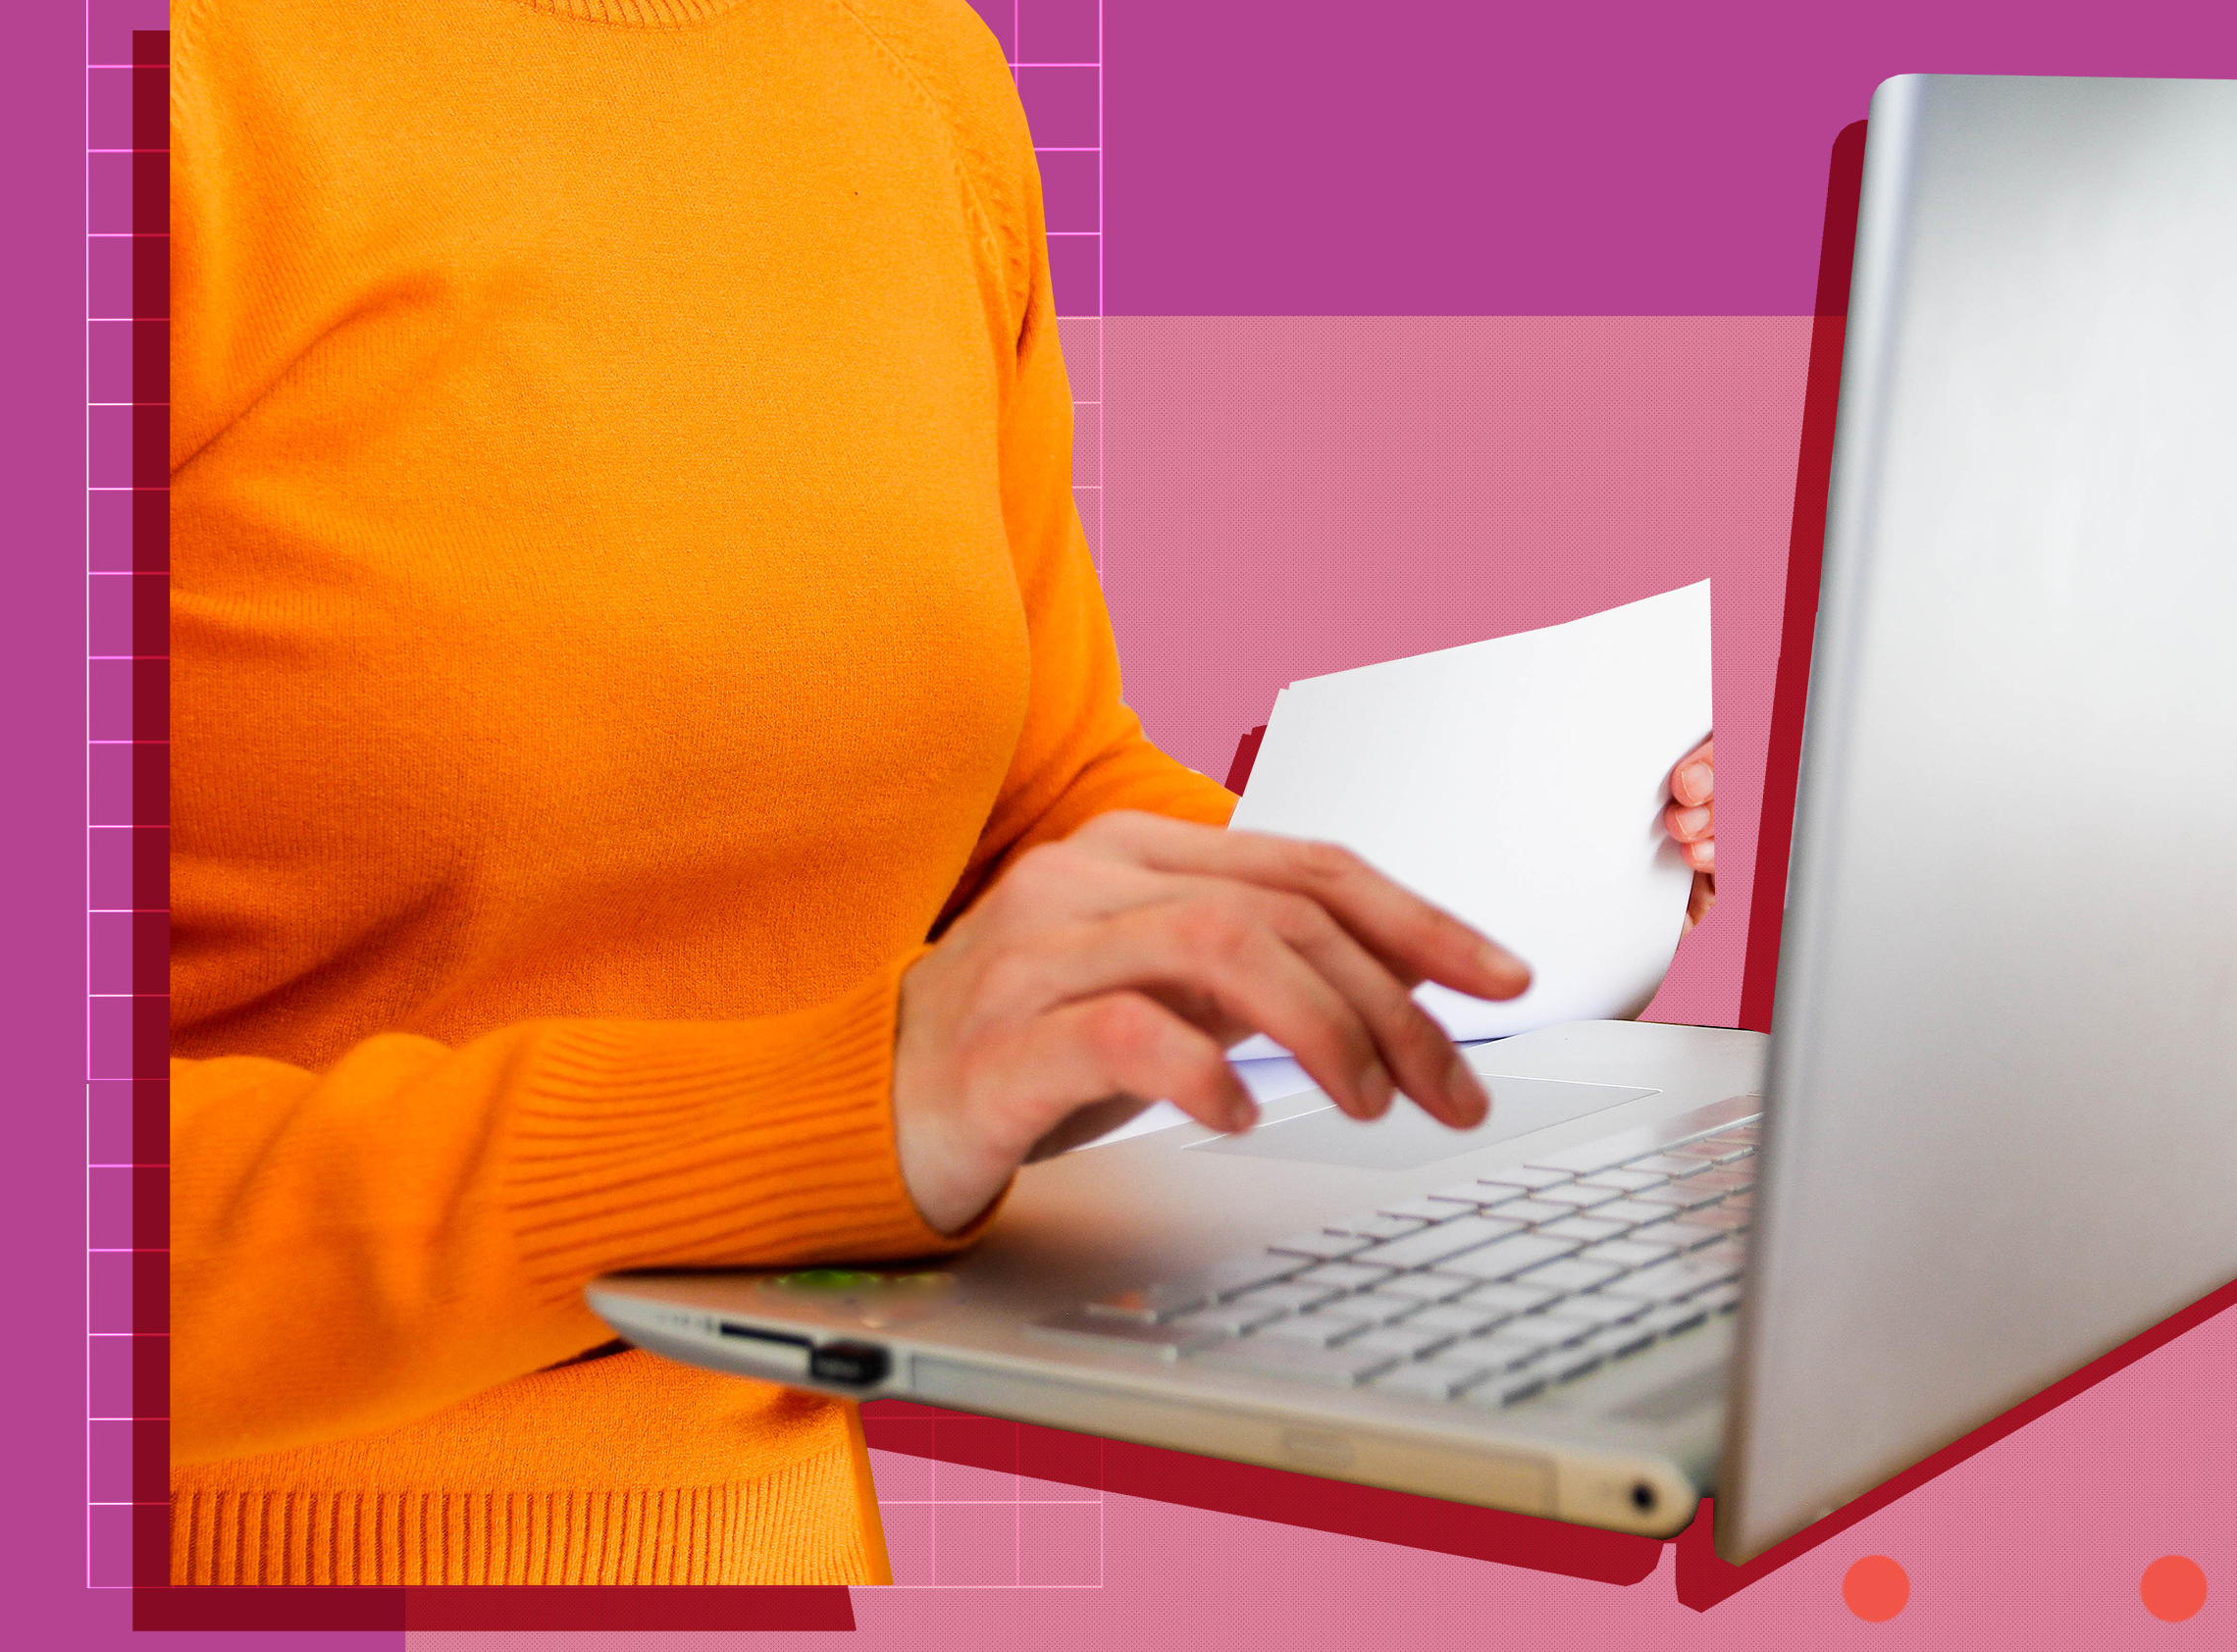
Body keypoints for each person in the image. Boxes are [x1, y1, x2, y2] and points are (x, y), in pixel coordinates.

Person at [166, 0, 1719, 1585]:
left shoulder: (901, 63)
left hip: (741, 1534)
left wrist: (1467, 889)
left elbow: (1038, 789)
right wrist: (856, 1107)